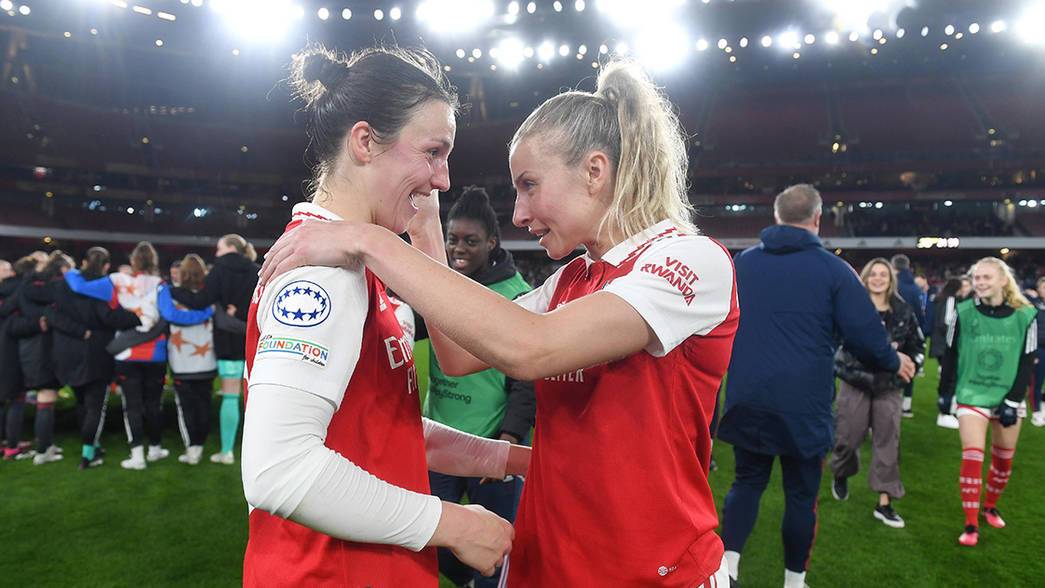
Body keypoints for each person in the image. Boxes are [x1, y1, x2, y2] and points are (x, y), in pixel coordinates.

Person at [259, 57, 739, 587]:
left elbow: (531, 348)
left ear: (594, 171)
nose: (518, 213)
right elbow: (458, 354)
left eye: (529, 185)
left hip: (652, 571)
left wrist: (369, 239)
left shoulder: (691, 260)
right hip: (546, 562)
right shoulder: (573, 278)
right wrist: (426, 234)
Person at [239, 45, 525, 586]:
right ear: (366, 142)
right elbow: (278, 470)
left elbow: (383, 427)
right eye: (433, 152)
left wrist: (507, 459)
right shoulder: (323, 273)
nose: (443, 180)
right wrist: (453, 523)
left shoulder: (356, 260)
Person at [716, 184, 915, 588]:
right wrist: (896, 361)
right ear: (818, 218)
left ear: (776, 217)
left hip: (748, 393)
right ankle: (793, 581)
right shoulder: (833, 270)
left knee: (746, 482)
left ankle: (727, 568)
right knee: (801, 495)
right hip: (804, 403)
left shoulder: (743, 263)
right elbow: (865, 336)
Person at [423, 186, 536, 588]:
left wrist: (508, 439)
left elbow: (527, 380)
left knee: (496, 550)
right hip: (438, 442)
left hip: (490, 445)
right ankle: (466, 579)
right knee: (431, 540)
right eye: (452, 239)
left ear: (491, 243)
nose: (459, 249)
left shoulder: (516, 295)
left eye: (470, 241)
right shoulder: (440, 284)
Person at [939, 257, 1036, 547]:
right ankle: (970, 524)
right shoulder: (963, 311)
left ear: (1003, 280)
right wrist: (945, 392)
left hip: (1008, 395)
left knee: (1003, 461)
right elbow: (950, 353)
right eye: (977, 278)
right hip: (972, 393)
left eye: (986, 277)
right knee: (972, 455)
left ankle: (990, 506)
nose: (980, 283)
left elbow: (1027, 361)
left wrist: (1013, 400)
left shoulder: (1026, 315)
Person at [830, 258, 925, 529]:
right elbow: (837, 347)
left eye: (884, 274)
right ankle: (841, 472)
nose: (878, 278)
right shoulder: (850, 310)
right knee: (848, 437)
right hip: (855, 382)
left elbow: (917, 345)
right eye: (873, 274)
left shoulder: (904, 310)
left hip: (888, 386)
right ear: (865, 277)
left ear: (891, 279)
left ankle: (885, 502)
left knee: (888, 442)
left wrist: (911, 365)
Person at [66, 241, 170, 470]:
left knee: (132, 405)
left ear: (133, 260)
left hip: (126, 352)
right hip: (155, 352)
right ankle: (155, 449)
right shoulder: (161, 285)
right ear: (153, 261)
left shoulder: (115, 280)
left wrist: (70, 270)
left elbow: (78, 286)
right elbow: (168, 314)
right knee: (154, 404)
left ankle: (137, 456)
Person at [170, 234, 259, 465]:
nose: (216, 253)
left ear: (229, 248)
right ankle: (246, 449)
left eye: (219, 248)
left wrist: (172, 291)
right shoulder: (256, 270)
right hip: (251, 340)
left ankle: (227, 452)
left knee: (230, 395)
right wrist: (241, 314)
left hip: (227, 341)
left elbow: (200, 301)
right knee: (250, 396)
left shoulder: (219, 270)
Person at [49, 247, 142, 469]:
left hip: (67, 353)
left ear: (83, 262)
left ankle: (94, 447)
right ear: (106, 266)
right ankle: (88, 455)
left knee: (82, 402)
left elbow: (52, 314)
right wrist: (138, 317)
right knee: (94, 406)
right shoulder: (102, 288)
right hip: (95, 353)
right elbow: (108, 317)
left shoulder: (64, 284)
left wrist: (76, 330)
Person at [12, 251, 74, 465]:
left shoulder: (25, 289)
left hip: (31, 349)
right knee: (46, 396)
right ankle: (42, 451)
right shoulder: (52, 289)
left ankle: (46, 444)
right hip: (43, 350)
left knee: (47, 396)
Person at [157, 254, 217, 465]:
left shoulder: (168, 292)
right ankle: (198, 445)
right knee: (203, 404)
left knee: (186, 406)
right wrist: (205, 314)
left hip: (182, 361)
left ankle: (193, 448)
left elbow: (170, 316)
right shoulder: (210, 294)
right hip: (207, 358)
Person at [892, 254, 925, 418]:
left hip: (893, 333)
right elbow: (921, 313)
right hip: (911, 335)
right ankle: (906, 405)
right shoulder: (915, 288)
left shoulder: (893, 285)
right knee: (908, 367)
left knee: (888, 368)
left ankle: (890, 405)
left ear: (893, 266)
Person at [930, 278, 966, 429]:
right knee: (950, 377)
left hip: (941, 343)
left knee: (948, 376)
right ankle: (945, 410)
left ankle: (947, 406)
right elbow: (947, 321)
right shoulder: (951, 299)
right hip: (945, 344)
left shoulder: (943, 298)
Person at [1029, 277, 1045, 427]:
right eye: (1044, 287)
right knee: (1037, 381)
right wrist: (1032, 352)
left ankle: (1043, 406)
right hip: (1038, 348)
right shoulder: (1033, 305)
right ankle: (1036, 412)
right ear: (1038, 290)